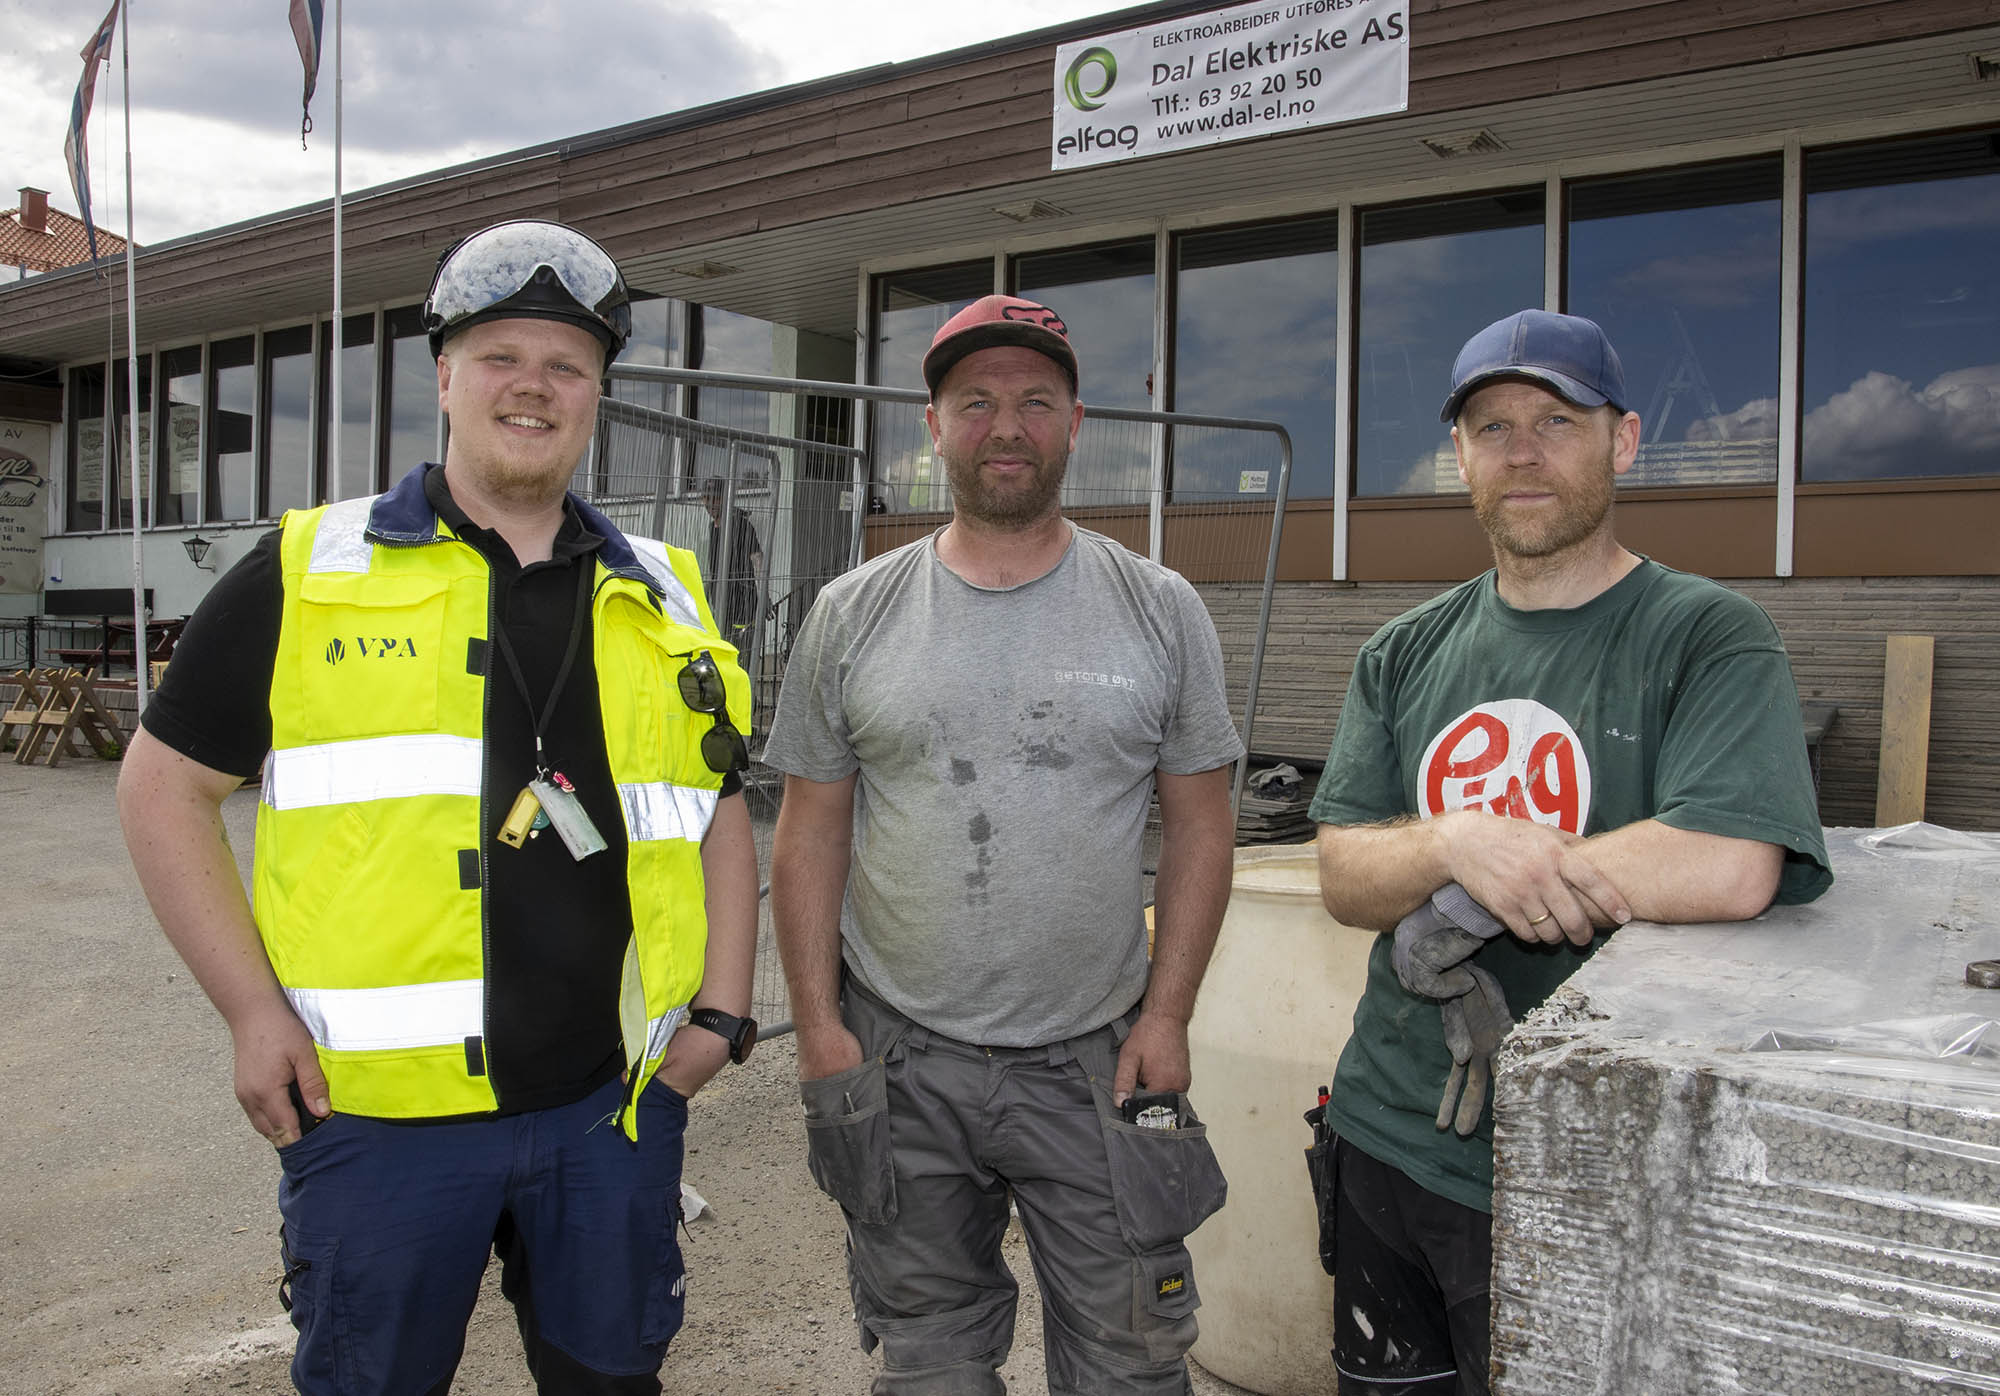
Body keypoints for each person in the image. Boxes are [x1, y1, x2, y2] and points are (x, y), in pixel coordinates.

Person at [117, 219, 762, 1396]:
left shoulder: (662, 587)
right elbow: (162, 788)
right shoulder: (310, 570)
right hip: (378, 1126)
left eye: (566, 364)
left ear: (597, 393)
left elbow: (711, 803)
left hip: (607, 1114)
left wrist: (721, 1013)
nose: (534, 385)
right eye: (501, 356)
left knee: (610, 1381)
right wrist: (252, 1015)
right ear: (445, 379)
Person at [1308, 309, 1834, 1396]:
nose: (1522, 450)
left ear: (1623, 440)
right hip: (1385, 1134)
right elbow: (1341, 873)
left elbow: (1732, 858)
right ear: (1459, 456)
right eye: (1491, 426)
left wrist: (1477, 892)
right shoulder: (1400, 651)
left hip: (1588, 1164)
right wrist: (1455, 838)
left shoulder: (1708, 635)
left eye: (1555, 418)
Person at [764, 294, 1244, 1396]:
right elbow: (807, 832)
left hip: (1097, 1059)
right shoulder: (849, 614)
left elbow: (1202, 823)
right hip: (899, 1059)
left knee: (1128, 1360)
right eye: (973, 401)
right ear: (931, 427)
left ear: (1076, 421)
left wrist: (1166, 1016)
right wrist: (822, 1028)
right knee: (928, 1362)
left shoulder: (1159, 608)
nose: (1006, 426)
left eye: (1034, 400)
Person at [699, 475, 764, 656]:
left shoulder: (741, 524)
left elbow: (757, 557)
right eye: (706, 498)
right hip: (722, 601)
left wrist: (764, 592)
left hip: (743, 600)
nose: (710, 504)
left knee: (741, 653)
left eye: (715, 498)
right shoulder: (713, 527)